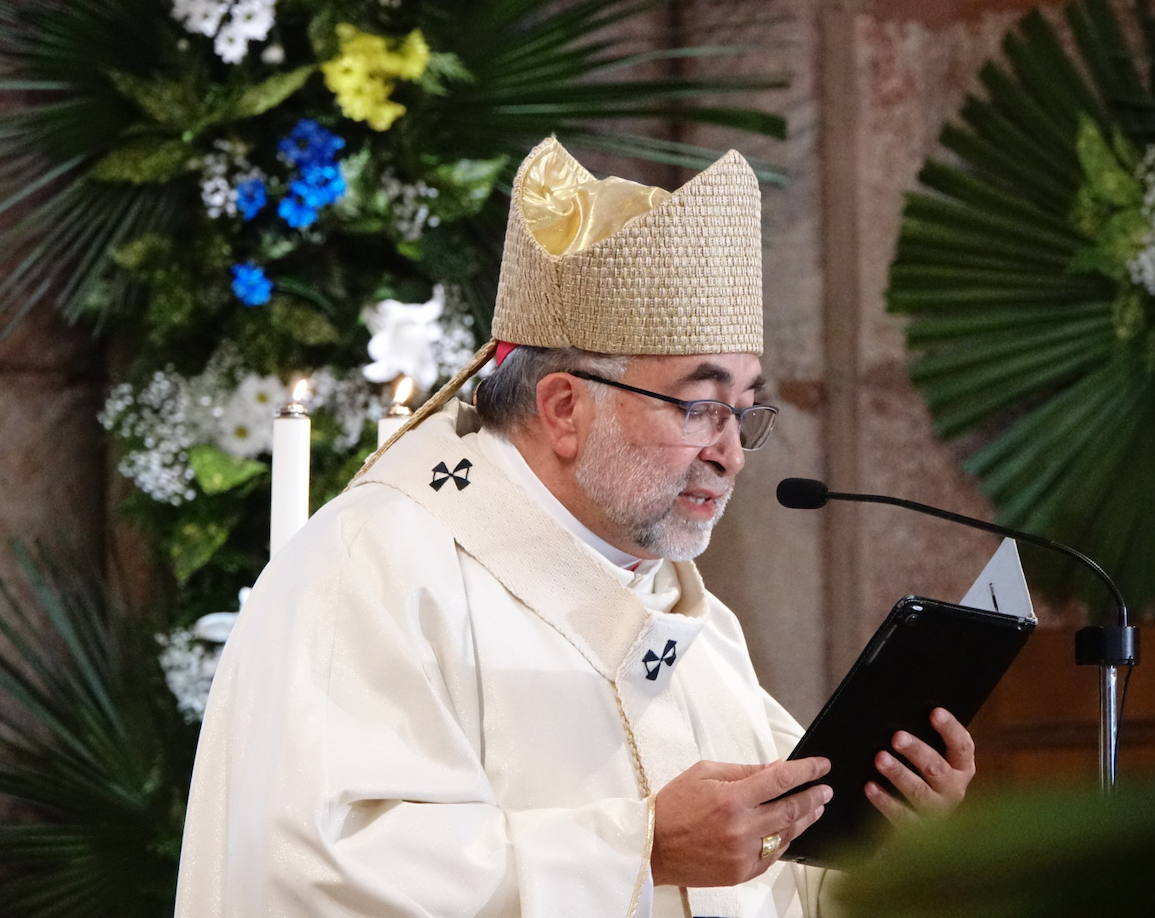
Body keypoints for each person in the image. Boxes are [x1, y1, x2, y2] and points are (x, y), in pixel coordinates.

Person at [175, 137, 976, 917]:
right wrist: (640, 851)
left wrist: (880, 844)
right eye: (700, 406)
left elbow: (774, 886)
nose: (731, 453)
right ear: (564, 408)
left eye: (744, 409)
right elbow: (323, 874)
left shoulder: (680, 615)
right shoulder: (376, 565)